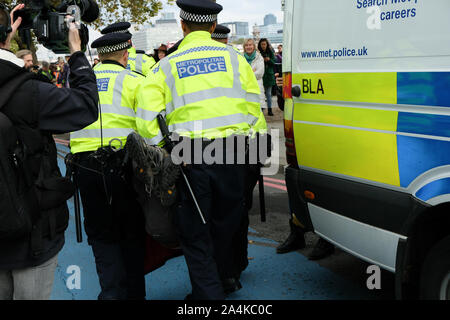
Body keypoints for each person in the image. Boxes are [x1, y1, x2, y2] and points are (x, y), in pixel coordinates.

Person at [135, 0, 266, 300]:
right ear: (211, 27)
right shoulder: (235, 60)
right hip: (234, 152)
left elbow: (146, 119)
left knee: (195, 232)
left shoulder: (166, 65)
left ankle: (208, 296)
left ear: (183, 26)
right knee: (226, 223)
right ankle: (224, 279)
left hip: (190, 156)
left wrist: (165, 147)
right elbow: (252, 108)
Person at [0, 3, 99, 300]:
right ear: (7, 35)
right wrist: (77, 53)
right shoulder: (28, 92)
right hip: (30, 234)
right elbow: (85, 105)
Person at [69, 30, 146, 300]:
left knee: (101, 236)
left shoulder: (79, 83)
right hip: (124, 168)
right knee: (131, 234)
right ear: (126, 54)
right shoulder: (135, 81)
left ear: (99, 56)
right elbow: (148, 129)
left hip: (85, 168)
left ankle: (111, 295)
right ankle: (135, 295)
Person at [274, 73, 335, 260]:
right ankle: (297, 231)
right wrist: (281, 90)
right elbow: (285, 105)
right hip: (301, 131)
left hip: (328, 131)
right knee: (296, 183)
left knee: (324, 186)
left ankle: (327, 238)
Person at [258, 38, 276, 116]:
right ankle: (261, 109)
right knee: (261, 94)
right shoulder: (258, 53)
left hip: (269, 76)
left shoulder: (270, 52)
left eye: (264, 44)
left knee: (268, 94)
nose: (263, 46)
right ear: (260, 45)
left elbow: (274, 62)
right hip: (261, 76)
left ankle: (269, 109)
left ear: (267, 44)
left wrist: (268, 60)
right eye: (262, 44)